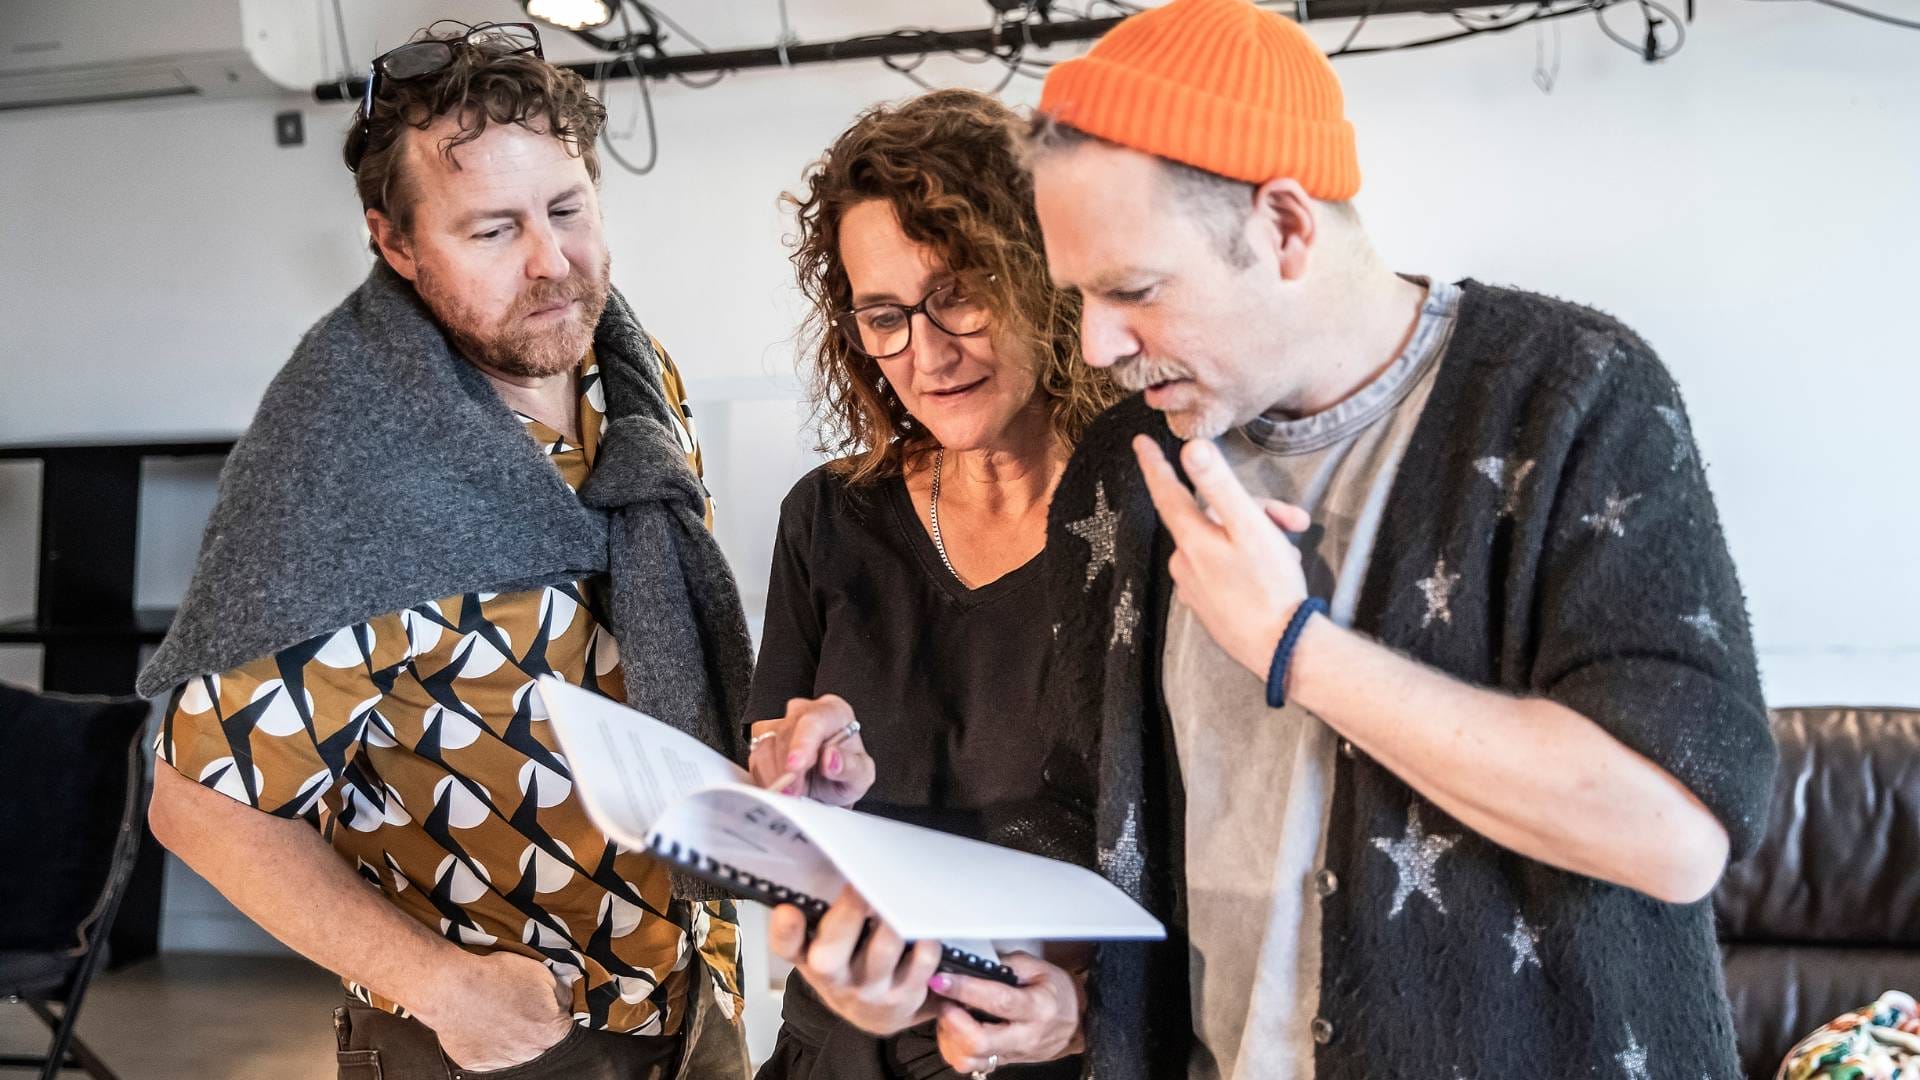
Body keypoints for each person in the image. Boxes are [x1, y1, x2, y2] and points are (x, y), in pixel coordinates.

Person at [910, 1, 1779, 1077]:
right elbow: (1097, 818)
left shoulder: (1575, 396)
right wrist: (1042, 987)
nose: (1096, 345)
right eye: (1080, 295)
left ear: (1284, 226)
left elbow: (1673, 830)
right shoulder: (1125, 468)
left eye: (1133, 290)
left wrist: (1296, 646)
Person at [139, 22, 754, 1079]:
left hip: (693, 998)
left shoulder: (633, 376)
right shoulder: (343, 465)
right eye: (492, 231)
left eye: (568, 211)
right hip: (492, 1039)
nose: (551, 263)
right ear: (397, 244)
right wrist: (443, 988)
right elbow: (198, 803)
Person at [741, 88, 1118, 1080]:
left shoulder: (1158, 516)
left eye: (960, 291)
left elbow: (1217, 855)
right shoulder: (829, 520)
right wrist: (795, 799)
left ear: (1045, 274)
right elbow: (781, 806)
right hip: (840, 1056)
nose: (928, 352)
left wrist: (1082, 1011)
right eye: (885, 317)